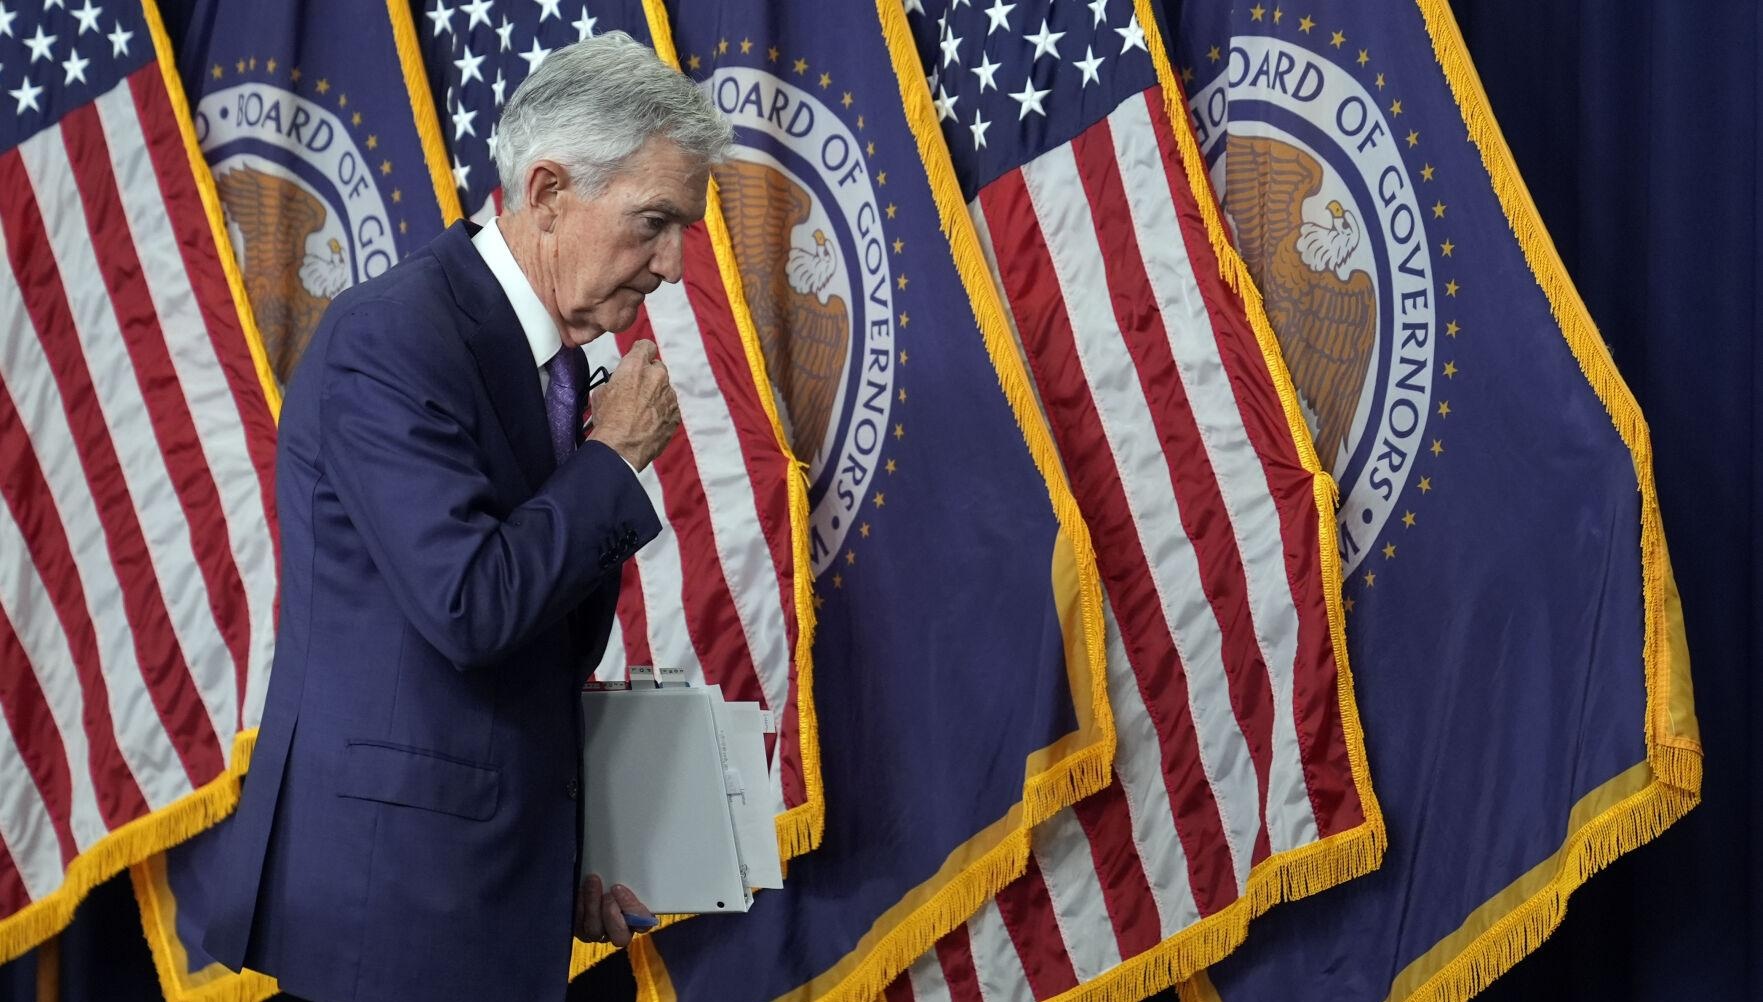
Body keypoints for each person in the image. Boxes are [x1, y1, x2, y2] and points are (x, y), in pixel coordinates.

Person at [201, 33, 732, 1002]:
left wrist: (560, 845)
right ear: (546, 194)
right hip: (392, 908)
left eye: (683, 230)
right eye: (654, 222)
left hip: (483, 888)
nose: (671, 263)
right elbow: (469, 603)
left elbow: (525, 646)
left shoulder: (552, 363)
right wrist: (611, 459)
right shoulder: (393, 337)